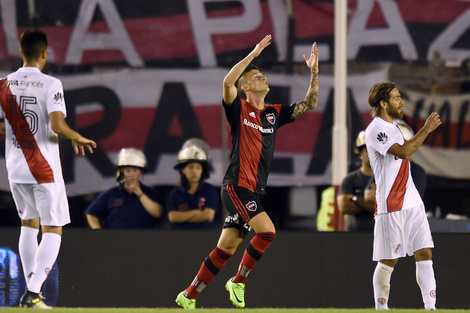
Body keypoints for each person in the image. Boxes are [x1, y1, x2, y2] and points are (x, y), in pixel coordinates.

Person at [175, 34, 319, 309]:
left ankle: (189, 295)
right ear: (245, 87)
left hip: (254, 190)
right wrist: (253, 54)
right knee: (267, 232)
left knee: (226, 248)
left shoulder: (273, 114)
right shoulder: (238, 108)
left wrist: (314, 73)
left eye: (262, 75)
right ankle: (238, 282)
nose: (263, 78)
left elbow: (309, 104)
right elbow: (227, 82)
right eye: (256, 77)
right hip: (236, 185)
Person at [0, 29, 97, 309]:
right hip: (43, 168)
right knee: (53, 228)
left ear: (21, 53)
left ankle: (32, 291)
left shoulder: (4, 84)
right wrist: (76, 135)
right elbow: (56, 125)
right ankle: (32, 293)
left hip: (15, 168)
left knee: (28, 226)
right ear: (45, 53)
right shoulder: (51, 83)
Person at [365, 82, 441, 310]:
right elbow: (404, 151)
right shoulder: (375, 129)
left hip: (412, 201)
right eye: (397, 98)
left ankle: (431, 307)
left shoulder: (394, 126)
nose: (402, 102)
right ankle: (381, 306)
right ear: (383, 103)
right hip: (391, 203)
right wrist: (426, 129)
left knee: (425, 251)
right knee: (389, 260)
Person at [85, 148, 163, 229]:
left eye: (135, 170)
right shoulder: (112, 193)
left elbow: (157, 213)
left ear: (141, 172)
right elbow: (91, 213)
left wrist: (140, 193)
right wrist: (99, 233)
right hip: (116, 240)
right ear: (122, 172)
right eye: (128, 171)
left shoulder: (150, 192)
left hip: (145, 240)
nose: (131, 174)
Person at [364, 120, 428, 205]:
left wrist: (381, 194)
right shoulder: (384, 166)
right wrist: (395, 194)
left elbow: (410, 201)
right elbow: (368, 196)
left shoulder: (417, 171)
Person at [167, 138, 219, 229]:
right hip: (179, 239)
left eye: (198, 168)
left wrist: (182, 217)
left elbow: (208, 215)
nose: (195, 172)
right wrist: (196, 213)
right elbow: (173, 217)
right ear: (183, 170)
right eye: (191, 167)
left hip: (206, 238)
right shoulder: (175, 194)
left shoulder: (210, 190)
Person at [337, 131, 375, 231]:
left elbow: (390, 208)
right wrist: (372, 206)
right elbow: (344, 206)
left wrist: (356, 200)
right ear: (360, 154)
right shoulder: (349, 180)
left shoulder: (387, 179)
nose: (372, 154)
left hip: (380, 238)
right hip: (354, 238)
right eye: (368, 151)